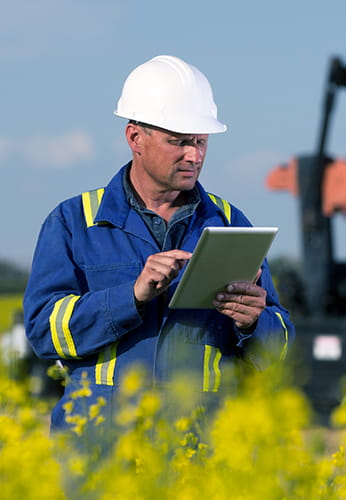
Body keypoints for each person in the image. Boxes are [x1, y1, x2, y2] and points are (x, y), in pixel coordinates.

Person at [23, 55, 294, 432]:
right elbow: (42, 332)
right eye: (179, 142)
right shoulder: (74, 222)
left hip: (199, 454)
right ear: (135, 138)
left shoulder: (229, 221)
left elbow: (279, 350)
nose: (194, 156)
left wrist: (254, 322)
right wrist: (130, 297)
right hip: (101, 450)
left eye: (201, 142)